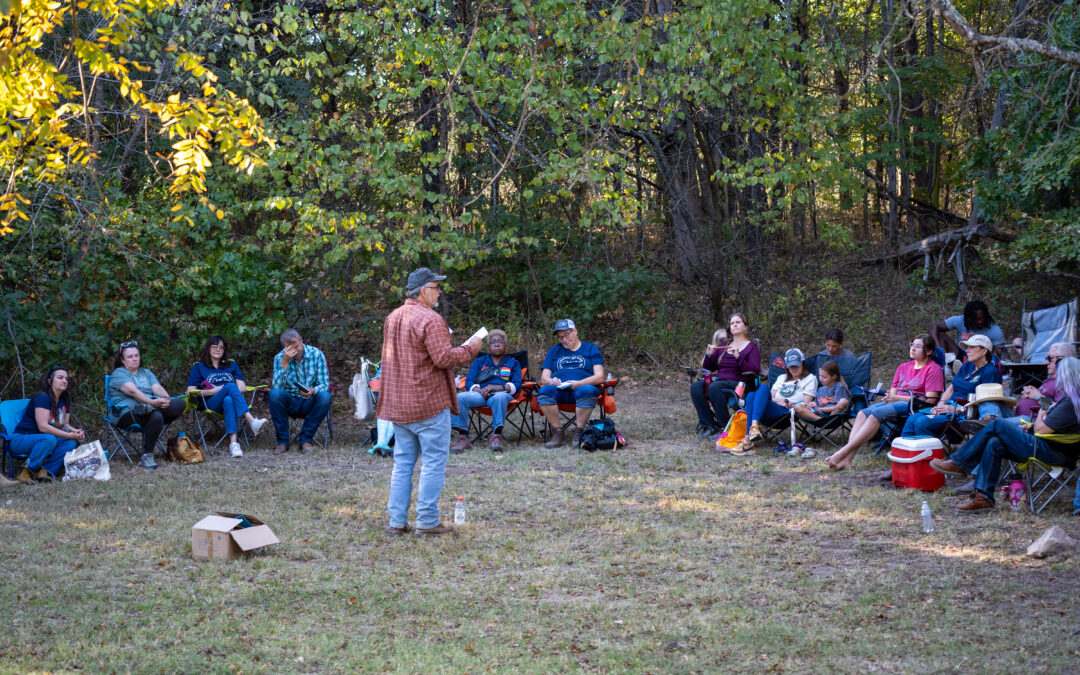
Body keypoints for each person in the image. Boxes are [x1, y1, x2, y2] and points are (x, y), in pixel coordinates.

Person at [380, 267, 480, 536]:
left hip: (399, 404)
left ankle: (396, 522)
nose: (439, 292)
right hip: (427, 402)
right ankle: (427, 521)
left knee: (402, 464)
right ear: (423, 290)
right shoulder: (431, 319)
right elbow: (443, 358)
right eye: (436, 287)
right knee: (434, 462)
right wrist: (471, 348)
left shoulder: (392, 317)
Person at [932, 356, 1080, 513]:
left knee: (998, 424)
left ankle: (960, 463)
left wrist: (1042, 413)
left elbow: (1041, 430)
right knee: (994, 442)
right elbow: (1051, 429)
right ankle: (983, 498)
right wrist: (1030, 428)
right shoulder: (1070, 401)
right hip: (1047, 446)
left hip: (1052, 452)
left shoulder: (1070, 403)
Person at [826, 334, 944, 471]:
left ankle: (842, 453)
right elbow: (894, 390)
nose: (912, 349)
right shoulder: (903, 367)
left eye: (918, 346)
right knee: (862, 413)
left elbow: (929, 400)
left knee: (877, 413)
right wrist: (890, 397)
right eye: (912, 345)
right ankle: (847, 459)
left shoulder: (933, 369)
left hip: (915, 405)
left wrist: (897, 398)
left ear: (928, 351)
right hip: (897, 402)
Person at [901, 334, 1005, 439]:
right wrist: (941, 404)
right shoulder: (967, 366)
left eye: (972, 347)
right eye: (967, 347)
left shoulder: (990, 372)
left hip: (965, 414)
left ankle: (930, 452)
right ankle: (904, 451)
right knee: (913, 418)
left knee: (921, 422)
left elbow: (987, 405)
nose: (967, 350)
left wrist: (956, 409)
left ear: (984, 351)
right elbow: (950, 389)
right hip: (948, 408)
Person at [108, 341, 187, 469]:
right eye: (130, 357)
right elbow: (133, 391)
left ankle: (149, 409)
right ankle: (147, 456)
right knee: (156, 416)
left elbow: (157, 388)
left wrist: (165, 398)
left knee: (179, 403)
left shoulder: (146, 372)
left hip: (150, 409)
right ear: (122, 360)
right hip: (126, 413)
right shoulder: (119, 373)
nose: (134, 359)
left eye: (136, 355)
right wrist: (152, 402)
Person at [186, 335, 268, 458]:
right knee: (229, 386)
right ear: (208, 348)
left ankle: (234, 444)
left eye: (221, 347)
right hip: (210, 403)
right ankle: (252, 421)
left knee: (228, 399)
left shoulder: (232, 365)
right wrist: (215, 391)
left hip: (231, 401)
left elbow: (242, 388)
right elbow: (190, 391)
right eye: (214, 346)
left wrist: (226, 390)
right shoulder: (199, 367)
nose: (218, 349)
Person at [732, 348, 817, 456]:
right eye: (791, 366)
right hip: (771, 408)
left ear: (803, 364)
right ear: (787, 366)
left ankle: (748, 438)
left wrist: (785, 401)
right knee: (753, 394)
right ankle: (752, 430)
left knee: (757, 391)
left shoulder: (810, 379)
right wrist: (779, 401)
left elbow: (805, 403)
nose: (794, 369)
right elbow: (770, 397)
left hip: (787, 412)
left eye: (797, 365)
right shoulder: (782, 378)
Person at [449, 329, 522, 454]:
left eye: (500, 341)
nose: (497, 344)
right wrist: (478, 390)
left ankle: (496, 437)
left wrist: (500, 387)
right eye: (493, 342)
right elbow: (469, 381)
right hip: (481, 395)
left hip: (501, 394)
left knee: (499, 397)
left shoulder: (513, 363)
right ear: (488, 346)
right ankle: (463, 437)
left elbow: (517, 383)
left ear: (506, 345)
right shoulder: (480, 361)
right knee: (460, 398)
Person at [537, 319, 606, 448]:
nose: (563, 340)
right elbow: (544, 378)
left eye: (566, 335)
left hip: (582, 387)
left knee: (586, 390)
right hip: (559, 390)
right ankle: (557, 432)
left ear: (575, 331)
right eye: (560, 337)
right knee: (545, 391)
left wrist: (578, 383)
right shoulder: (554, 350)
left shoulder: (590, 349)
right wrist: (552, 381)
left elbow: (599, 377)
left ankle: (579, 431)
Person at [689, 314, 761, 438]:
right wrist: (709, 356)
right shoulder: (724, 346)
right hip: (720, 382)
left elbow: (754, 370)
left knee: (715, 387)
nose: (734, 325)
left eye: (738, 322)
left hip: (740, 384)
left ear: (746, 327)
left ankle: (725, 427)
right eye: (732, 323)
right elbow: (709, 369)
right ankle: (710, 426)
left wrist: (739, 357)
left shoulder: (751, 347)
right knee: (696, 387)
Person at [9, 366, 85, 482]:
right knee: (49, 439)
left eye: (66, 379)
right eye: (60, 378)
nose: (64, 381)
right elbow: (43, 427)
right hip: (21, 439)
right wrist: (69, 434)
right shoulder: (42, 398)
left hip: (45, 439)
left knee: (70, 442)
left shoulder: (65, 399)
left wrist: (74, 431)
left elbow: (64, 425)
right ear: (50, 381)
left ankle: (45, 471)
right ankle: (25, 472)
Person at [269, 328, 331, 454]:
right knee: (274, 394)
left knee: (325, 396)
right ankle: (282, 443)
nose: (296, 350)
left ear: (301, 340)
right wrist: (285, 362)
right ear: (285, 347)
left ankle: (306, 440)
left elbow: (325, 384)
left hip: (310, 401)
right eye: (291, 348)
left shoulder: (316, 354)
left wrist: (313, 390)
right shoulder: (280, 358)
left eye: (297, 345)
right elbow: (276, 386)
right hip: (290, 401)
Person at [930, 300, 1006, 361]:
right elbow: (934, 327)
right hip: (963, 356)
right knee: (940, 335)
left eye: (982, 318)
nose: (980, 321)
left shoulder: (994, 330)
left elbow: (1002, 353)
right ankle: (946, 367)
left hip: (981, 360)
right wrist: (939, 348)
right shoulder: (960, 320)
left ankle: (968, 369)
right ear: (968, 318)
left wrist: (1009, 368)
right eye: (976, 319)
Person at [1016, 342, 1076, 419]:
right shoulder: (1049, 380)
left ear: (1063, 359)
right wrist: (1028, 393)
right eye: (1046, 359)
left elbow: (1061, 412)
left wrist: (1038, 396)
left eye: (1050, 359)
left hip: (1032, 422)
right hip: (1020, 418)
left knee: (997, 424)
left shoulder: (1066, 383)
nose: (1046, 362)